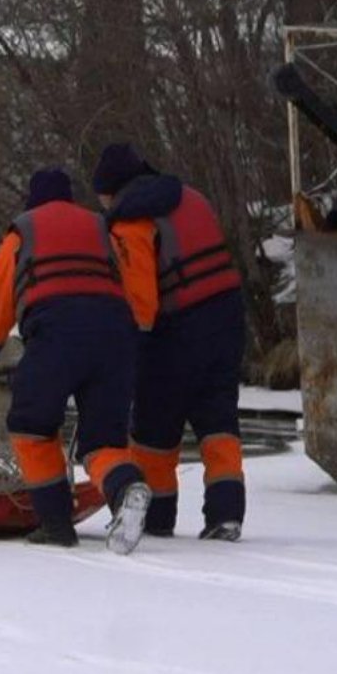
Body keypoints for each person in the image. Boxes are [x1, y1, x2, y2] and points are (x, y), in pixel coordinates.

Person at [0, 166, 151, 551]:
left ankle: (55, 524)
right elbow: (133, 288)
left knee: (31, 425)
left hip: (56, 336)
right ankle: (125, 487)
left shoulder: (24, 232)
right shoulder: (102, 229)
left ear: (33, 201)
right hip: (116, 336)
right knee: (103, 440)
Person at [92, 142, 246, 541]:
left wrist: (124, 351)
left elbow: (142, 304)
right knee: (218, 421)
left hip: (175, 330)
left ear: (112, 191)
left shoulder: (130, 222)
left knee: (153, 429)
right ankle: (226, 515)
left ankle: (157, 520)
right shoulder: (190, 196)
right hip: (227, 317)